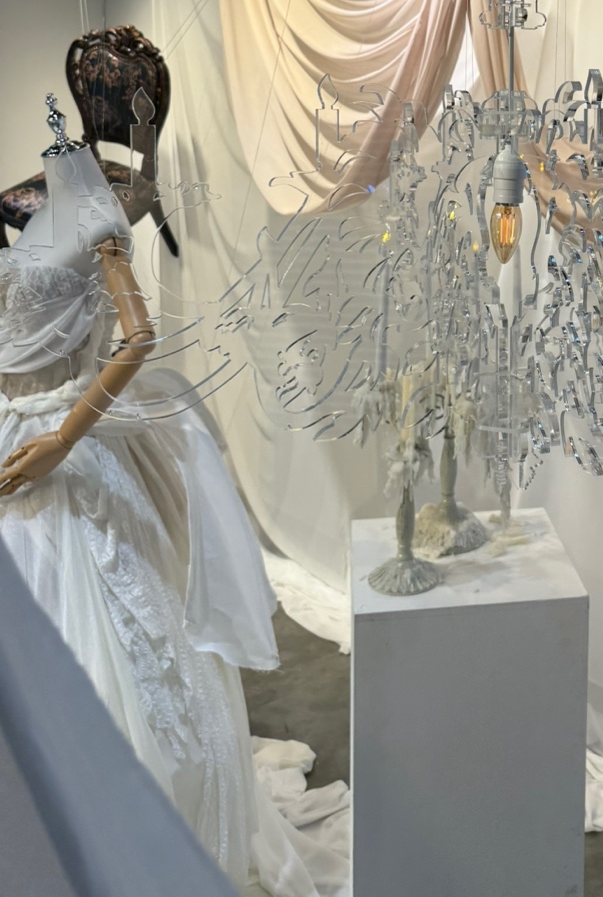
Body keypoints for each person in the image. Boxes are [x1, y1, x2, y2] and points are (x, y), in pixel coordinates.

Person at [0, 97, 347, 897]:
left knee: (117, 633)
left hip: (66, 448)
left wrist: (64, 440)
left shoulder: (97, 216)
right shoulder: (29, 209)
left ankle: (136, 828)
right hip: (16, 438)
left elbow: (140, 336)